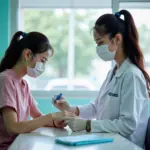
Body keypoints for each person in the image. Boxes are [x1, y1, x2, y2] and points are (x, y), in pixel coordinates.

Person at [53, 10, 149, 148]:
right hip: (109, 142)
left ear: (117, 39)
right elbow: (97, 107)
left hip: (126, 145)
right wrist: (71, 109)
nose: (98, 48)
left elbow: (127, 125)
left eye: (100, 42)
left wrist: (86, 125)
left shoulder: (132, 76)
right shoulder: (113, 72)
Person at [0, 31, 68, 150]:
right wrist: (51, 117)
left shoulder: (23, 84)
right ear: (27, 54)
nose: (43, 66)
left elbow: (37, 116)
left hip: (19, 144)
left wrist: (54, 122)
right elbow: (13, 127)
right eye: (42, 60)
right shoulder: (5, 80)